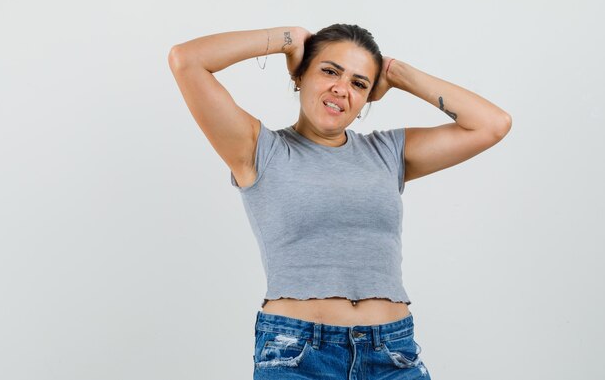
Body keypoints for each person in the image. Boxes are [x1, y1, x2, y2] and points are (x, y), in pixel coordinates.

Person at [168, 24, 512, 379]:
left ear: (368, 98)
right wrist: (290, 39)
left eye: (359, 83)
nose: (341, 89)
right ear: (299, 75)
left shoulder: (387, 151)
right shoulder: (258, 149)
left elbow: (492, 124)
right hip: (298, 355)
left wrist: (394, 71)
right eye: (330, 71)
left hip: (393, 355)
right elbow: (187, 60)